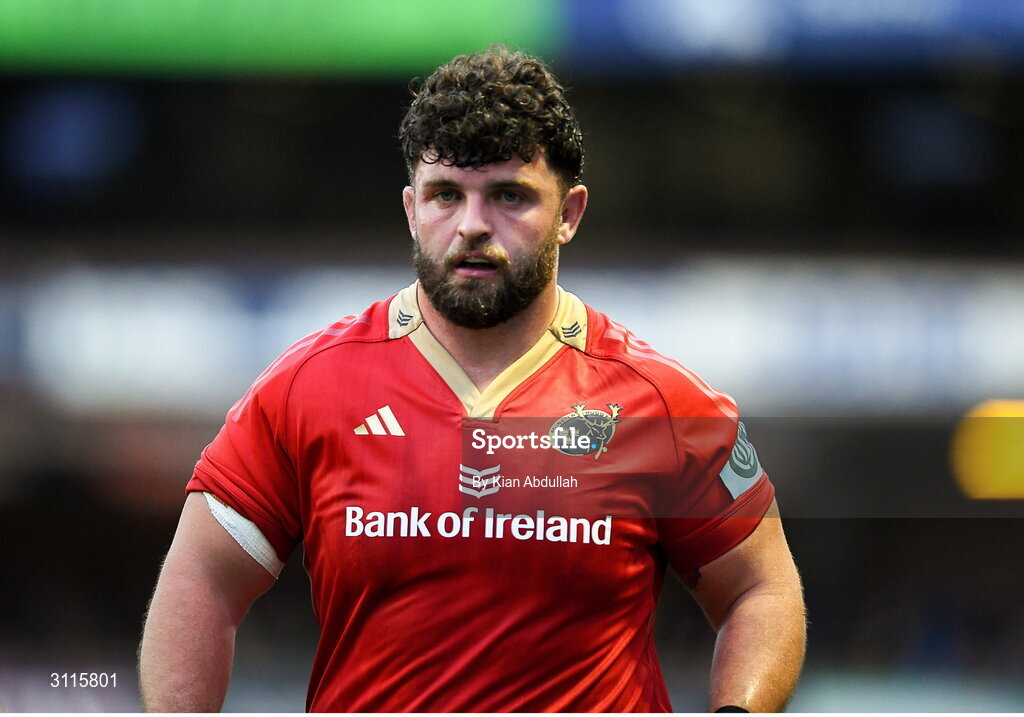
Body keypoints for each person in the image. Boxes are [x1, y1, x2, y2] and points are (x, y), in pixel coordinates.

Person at [138, 46, 806, 712]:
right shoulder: (309, 389)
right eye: (446, 195)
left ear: (570, 213)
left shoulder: (660, 403)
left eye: (509, 195)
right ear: (410, 208)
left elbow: (760, 589)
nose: (473, 225)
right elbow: (200, 582)